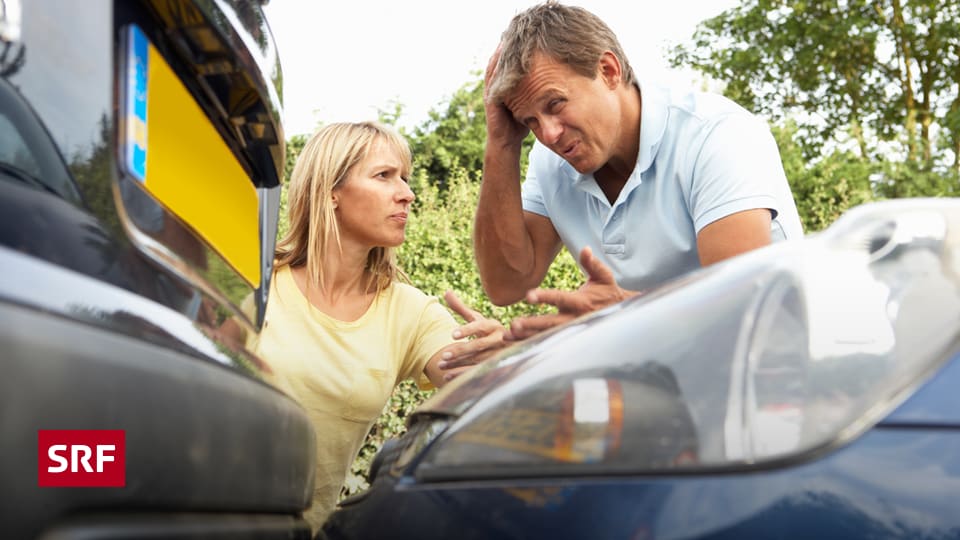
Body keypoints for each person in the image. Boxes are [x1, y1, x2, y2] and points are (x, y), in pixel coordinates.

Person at [475, 1, 803, 339]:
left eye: (555, 104)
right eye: (529, 121)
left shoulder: (717, 134)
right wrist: (501, 144)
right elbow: (506, 286)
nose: (548, 135)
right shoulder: (549, 163)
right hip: (658, 370)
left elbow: (740, 309)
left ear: (608, 70)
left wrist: (614, 316)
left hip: (778, 366)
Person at [247, 121, 506, 530]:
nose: (407, 193)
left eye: (405, 178)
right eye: (384, 176)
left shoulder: (411, 312)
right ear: (330, 191)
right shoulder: (253, 281)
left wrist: (502, 361)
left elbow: (472, 379)